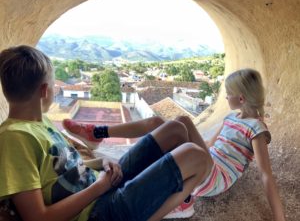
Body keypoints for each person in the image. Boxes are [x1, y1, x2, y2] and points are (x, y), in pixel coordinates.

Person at [0, 45, 212, 221]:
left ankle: (161, 195)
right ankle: (167, 207)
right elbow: (37, 218)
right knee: (197, 157)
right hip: (97, 212)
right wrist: (99, 188)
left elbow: (67, 167)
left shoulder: (39, 121)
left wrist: (101, 163)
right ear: (45, 91)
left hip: (100, 184)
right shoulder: (14, 138)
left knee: (175, 129)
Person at [63, 68, 286, 221]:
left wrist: (279, 218)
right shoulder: (232, 117)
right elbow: (209, 143)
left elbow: (266, 174)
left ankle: (185, 196)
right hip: (209, 160)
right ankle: (98, 133)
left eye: (228, 94)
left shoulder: (256, 129)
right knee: (170, 123)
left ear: (242, 99)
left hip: (217, 176)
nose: (225, 97)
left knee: (183, 122)